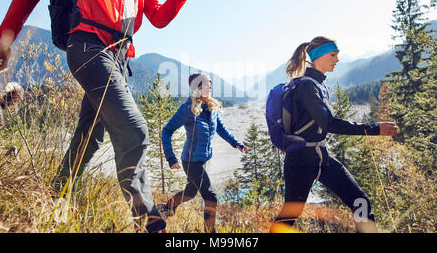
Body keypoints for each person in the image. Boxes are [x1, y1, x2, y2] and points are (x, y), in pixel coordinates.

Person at [0, 0, 194, 233]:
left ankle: (55, 197)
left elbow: (157, 17)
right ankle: (151, 224)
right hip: (87, 48)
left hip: (119, 60)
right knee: (134, 129)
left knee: (89, 136)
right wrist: (5, 39)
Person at [270, 36, 399, 233]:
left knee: (360, 202)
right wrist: (375, 129)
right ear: (319, 56)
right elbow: (329, 123)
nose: (337, 60)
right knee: (289, 215)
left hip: (322, 157)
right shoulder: (307, 86)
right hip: (300, 161)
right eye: (333, 55)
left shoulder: (320, 85)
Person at [159, 73, 248, 233]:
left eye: (210, 83)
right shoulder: (187, 109)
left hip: (202, 160)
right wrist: (171, 157)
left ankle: (165, 209)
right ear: (198, 87)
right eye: (207, 84)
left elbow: (221, 129)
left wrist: (236, 143)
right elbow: (166, 131)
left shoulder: (211, 108)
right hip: (191, 161)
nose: (211, 86)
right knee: (211, 197)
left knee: (191, 193)